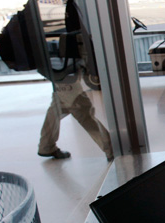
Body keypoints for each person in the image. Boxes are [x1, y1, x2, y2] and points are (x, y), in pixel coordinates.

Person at [38, 0, 113, 160]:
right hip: (66, 70)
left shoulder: (58, 8)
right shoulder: (73, 7)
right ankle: (110, 149)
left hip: (59, 67)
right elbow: (79, 38)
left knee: (58, 105)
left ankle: (46, 145)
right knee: (82, 109)